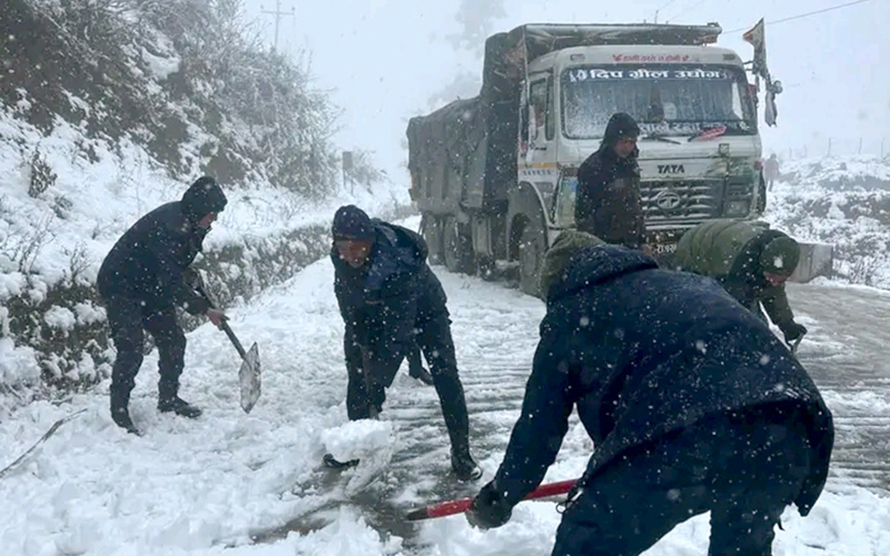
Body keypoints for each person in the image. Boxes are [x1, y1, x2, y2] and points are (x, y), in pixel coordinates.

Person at [466, 230, 834, 556]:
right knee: (741, 548)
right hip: (790, 420)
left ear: (559, 281)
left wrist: (500, 496)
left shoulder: (572, 313)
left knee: (587, 542)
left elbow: (539, 430)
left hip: (690, 427)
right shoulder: (682, 283)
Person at [330, 205, 481, 481]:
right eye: (343, 247)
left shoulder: (397, 263)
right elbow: (346, 296)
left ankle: (462, 454)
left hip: (426, 312)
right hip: (376, 308)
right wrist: (356, 331)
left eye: (356, 248)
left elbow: (398, 334)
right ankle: (357, 442)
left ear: (370, 243)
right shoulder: (340, 257)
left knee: (445, 375)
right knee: (356, 365)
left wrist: (379, 382)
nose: (349, 255)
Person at [97, 176, 229, 435]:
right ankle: (119, 412)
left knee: (174, 340)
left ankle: (168, 398)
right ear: (200, 209)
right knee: (131, 347)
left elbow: (172, 267)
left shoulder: (190, 223)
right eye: (212, 214)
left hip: (150, 284)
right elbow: (169, 280)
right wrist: (205, 309)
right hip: (121, 284)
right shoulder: (170, 226)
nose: (214, 220)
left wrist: (187, 273)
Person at [673, 219, 808, 348]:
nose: (774, 282)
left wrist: (787, 325)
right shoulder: (737, 265)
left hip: (726, 247)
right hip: (695, 248)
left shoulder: (777, 256)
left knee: (754, 324)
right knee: (706, 309)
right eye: (771, 276)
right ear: (762, 266)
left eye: (781, 279)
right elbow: (734, 305)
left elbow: (773, 295)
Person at [574, 112, 645, 249]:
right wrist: (592, 244)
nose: (627, 147)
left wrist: (643, 239)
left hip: (631, 242)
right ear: (613, 140)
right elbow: (583, 212)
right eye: (624, 141)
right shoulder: (592, 168)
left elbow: (636, 205)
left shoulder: (630, 166)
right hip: (604, 242)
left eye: (632, 142)